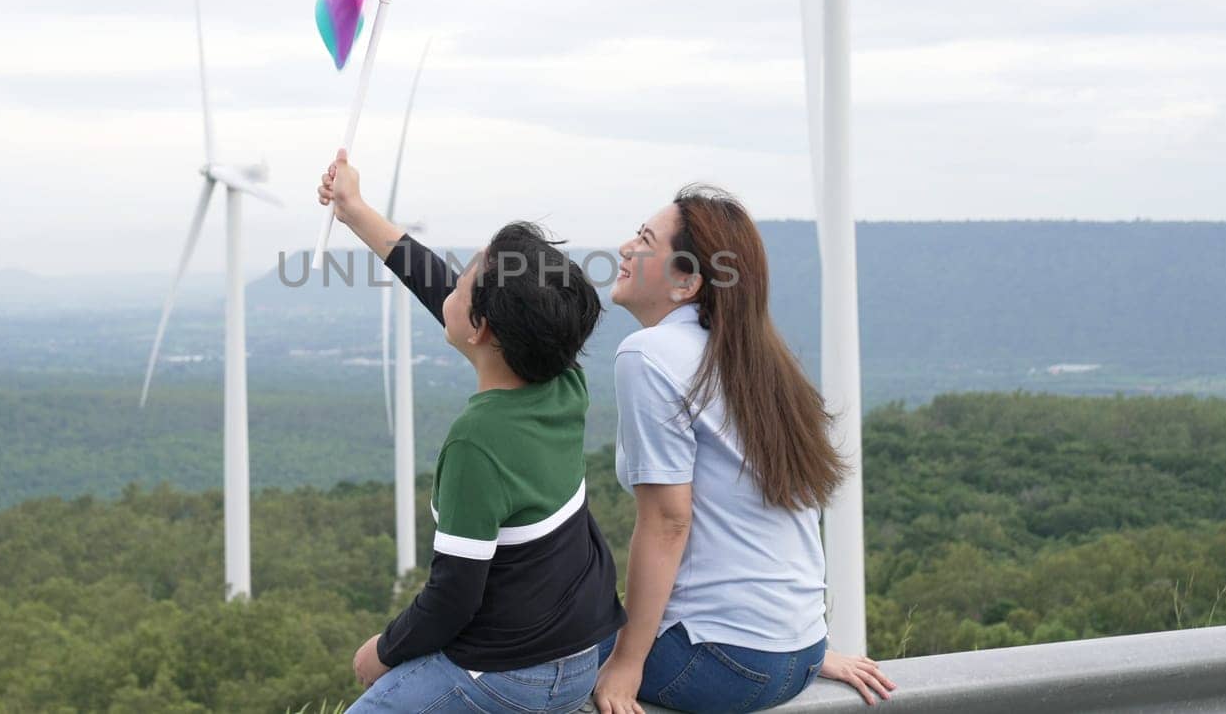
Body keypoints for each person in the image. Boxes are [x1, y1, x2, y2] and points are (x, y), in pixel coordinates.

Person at [319, 150, 627, 714]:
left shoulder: (475, 441)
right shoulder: (563, 379)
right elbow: (441, 288)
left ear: (482, 328)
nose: (449, 286)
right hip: (584, 650)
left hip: (511, 675)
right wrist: (355, 210)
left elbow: (453, 597)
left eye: (462, 283)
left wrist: (381, 651)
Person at [592, 185, 896, 714]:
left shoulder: (649, 353)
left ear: (687, 281)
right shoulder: (762, 364)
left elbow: (668, 522)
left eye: (644, 240)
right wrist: (804, 647)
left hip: (716, 661)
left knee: (522, 630)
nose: (623, 248)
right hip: (797, 654)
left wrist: (626, 665)